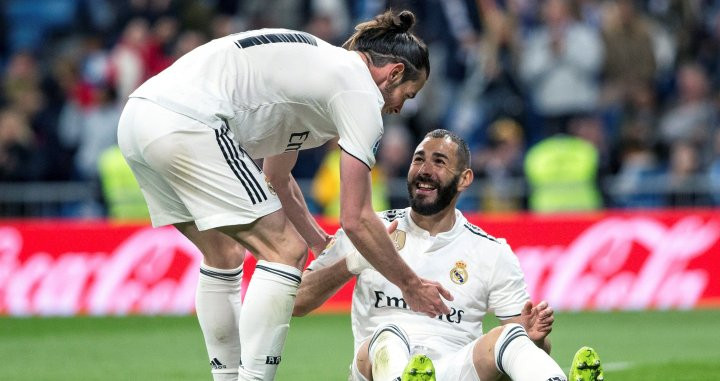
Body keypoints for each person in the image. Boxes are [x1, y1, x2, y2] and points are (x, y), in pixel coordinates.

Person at [116, 9, 451, 381]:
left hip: (138, 118)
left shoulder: (316, 72)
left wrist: (320, 243)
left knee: (224, 252)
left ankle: (227, 377)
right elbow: (356, 218)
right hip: (189, 121)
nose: (401, 106)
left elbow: (277, 176)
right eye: (408, 93)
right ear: (394, 74)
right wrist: (410, 284)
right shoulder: (359, 92)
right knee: (284, 251)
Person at [293, 129, 577, 381]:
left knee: (511, 336)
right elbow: (298, 301)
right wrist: (356, 260)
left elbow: (529, 346)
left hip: (455, 368)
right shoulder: (370, 231)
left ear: (464, 179)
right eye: (418, 159)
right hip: (378, 363)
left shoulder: (492, 251)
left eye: (439, 162)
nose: (424, 170)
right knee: (390, 337)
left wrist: (535, 339)